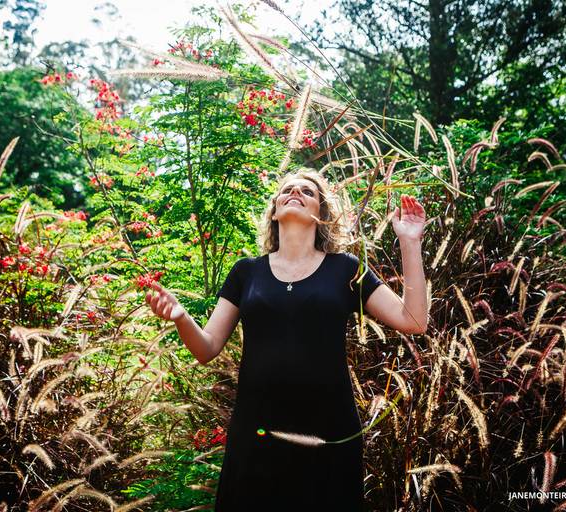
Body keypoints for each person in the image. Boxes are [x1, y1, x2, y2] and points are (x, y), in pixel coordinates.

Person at [145, 169, 427, 511]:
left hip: (329, 432)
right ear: (275, 211)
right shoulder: (246, 272)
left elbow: (413, 320)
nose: (295, 193)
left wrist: (409, 242)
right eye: (287, 191)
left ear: (320, 215)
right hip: (256, 431)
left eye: (307, 191)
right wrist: (181, 317)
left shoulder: (345, 269)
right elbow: (207, 348)